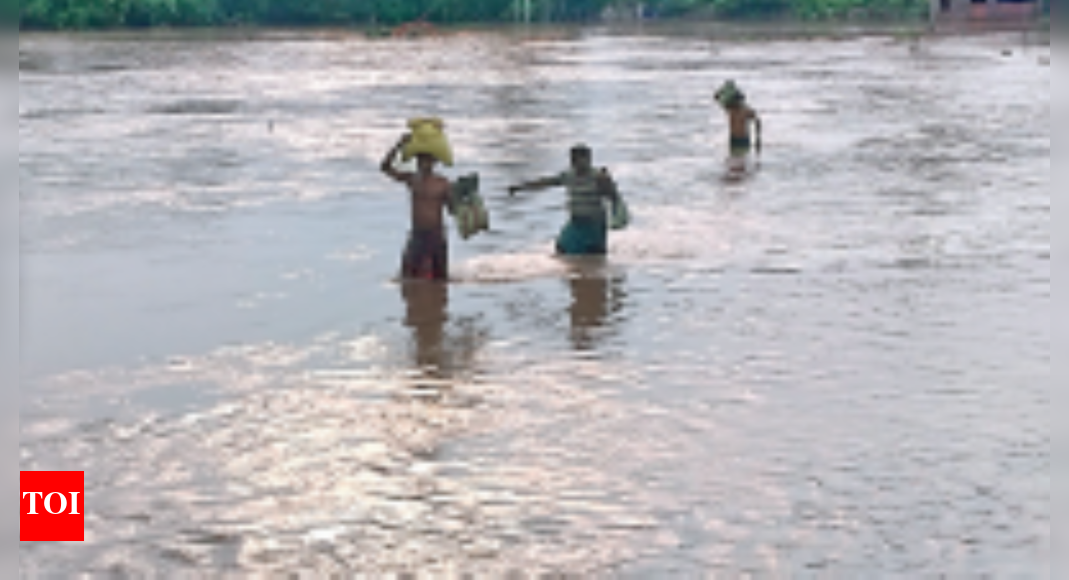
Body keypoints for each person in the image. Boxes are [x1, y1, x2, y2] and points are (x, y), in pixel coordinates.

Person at [508, 144, 622, 256]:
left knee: (593, 253)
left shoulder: (599, 177)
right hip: (576, 222)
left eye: (579, 159)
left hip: (594, 224)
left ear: (588, 159)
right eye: (573, 159)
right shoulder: (569, 176)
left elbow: (614, 198)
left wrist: (616, 218)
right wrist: (520, 187)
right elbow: (546, 182)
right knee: (562, 249)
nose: (576, 163)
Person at [381, 133, 453, 281]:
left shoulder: (443, 183)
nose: (423, 163)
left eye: (427, 160)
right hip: (417, 234)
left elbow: (453, 209)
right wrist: (399, 145)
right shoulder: (412, 180)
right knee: (406, 276)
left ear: (434, 162)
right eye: (420, 160)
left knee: (440, 278)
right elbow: (385, 167)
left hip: (436, 235)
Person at [715, 80, 762, 155]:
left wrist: (758, 138)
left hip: (743, 139)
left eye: (737, 100)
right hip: (733, 139)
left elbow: (757, 121)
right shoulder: (730, 109)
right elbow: (716, 97)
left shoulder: (746, 110)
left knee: (742, 158)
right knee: (733, 159)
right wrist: (724, 89)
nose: (735, 102)